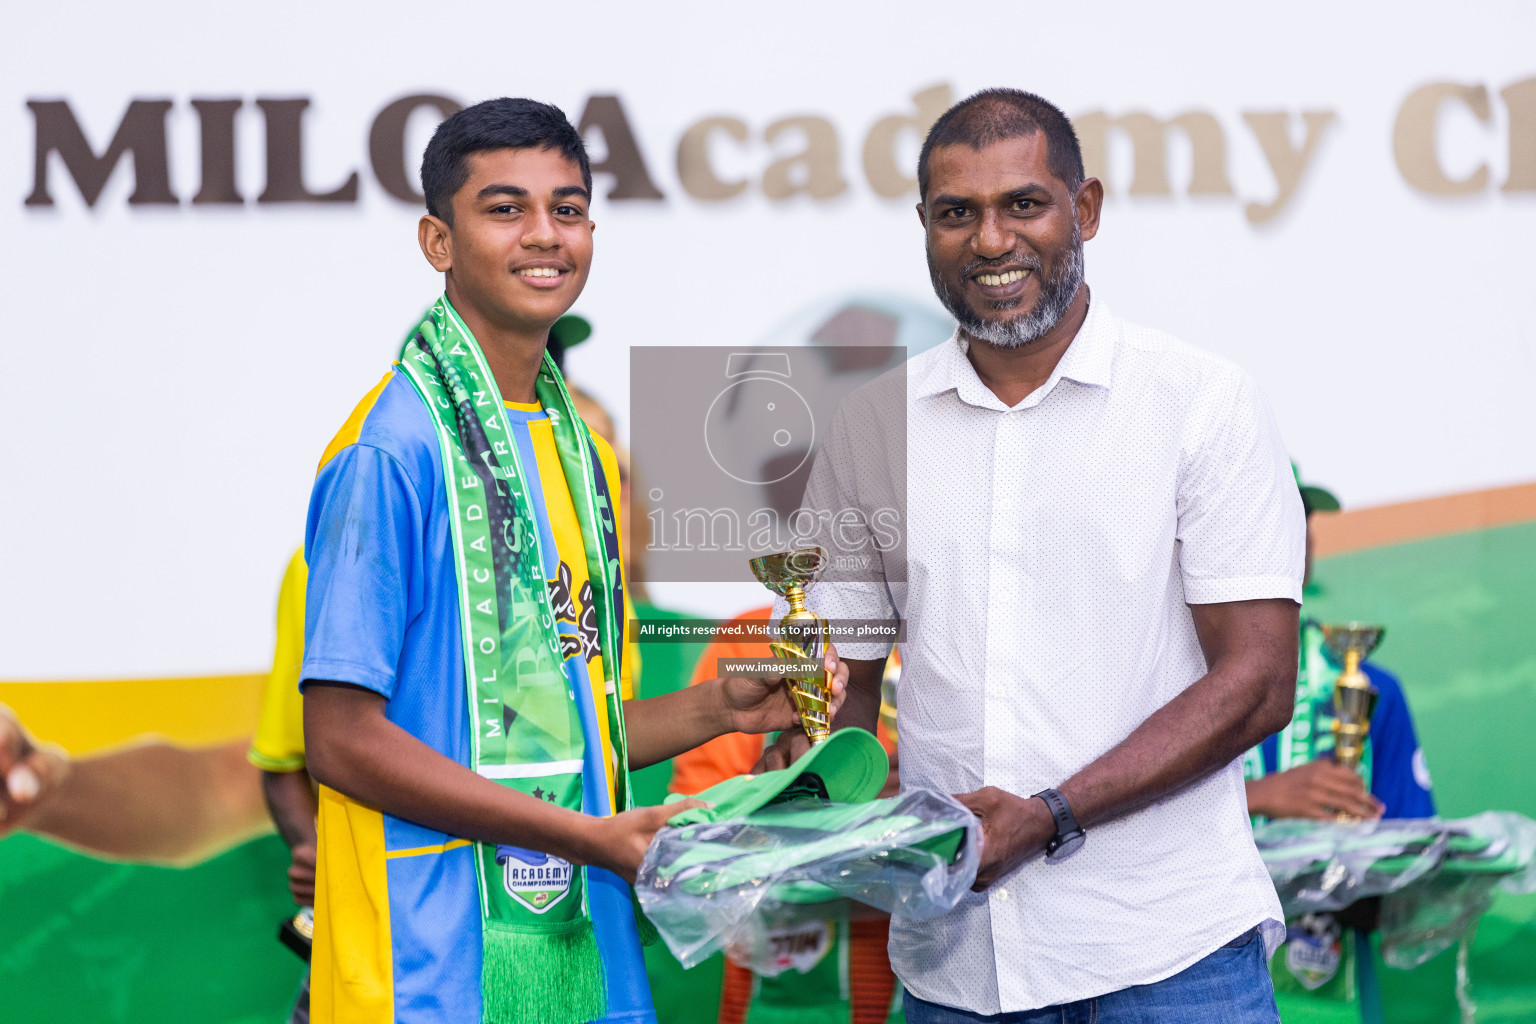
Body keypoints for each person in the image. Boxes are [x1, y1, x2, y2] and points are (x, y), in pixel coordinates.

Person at [760, 88, 1303, 1023]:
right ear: (924, 226)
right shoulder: (869, 425)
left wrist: (1050, 814)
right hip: (956, 967)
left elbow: (1257, 680)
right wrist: (816, 779)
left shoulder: (1199, 401)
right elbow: (835, 674)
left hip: (1169, 957)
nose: (991, 240)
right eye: (956, 213)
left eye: (1024, 204)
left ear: (1083, 210)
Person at [298, 97, 846, 1024]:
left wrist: (718, 706)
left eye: (569, 208)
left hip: (581, 962)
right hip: (427, 973)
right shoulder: (389, 453)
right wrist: (586, 837)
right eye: (504, 208)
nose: (544, 235)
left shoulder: (573, 448)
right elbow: (341, 740)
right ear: (438, 240)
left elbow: (554, 738)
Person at [1244, 470, 1435, 1023]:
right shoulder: (1167, 680)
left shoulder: (1372, 691)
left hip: (1334, 995)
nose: (1299, 533)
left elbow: (1411, 866)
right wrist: (1257, 796)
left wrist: (1367, 874)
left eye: (1303, 519)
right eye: (1276, 514)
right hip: (1191, 986)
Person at [670, 608, 902, 1024]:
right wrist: (790, 799)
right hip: (766, 978)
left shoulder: (914, 637)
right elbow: (698, 818)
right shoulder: (747, 637)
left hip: (901, 973)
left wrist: (907, 800)